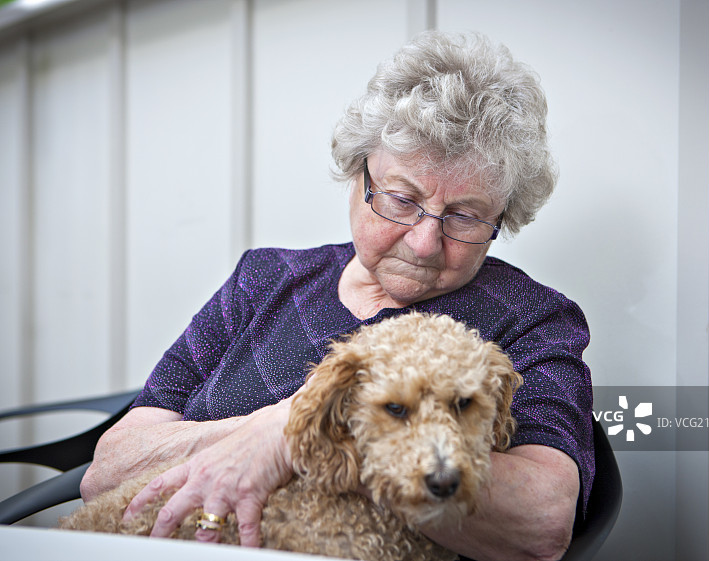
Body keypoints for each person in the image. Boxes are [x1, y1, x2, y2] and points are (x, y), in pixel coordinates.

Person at [81, 31, 594, 561]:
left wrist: (300, 437)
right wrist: (259, 431)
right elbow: (108, 470)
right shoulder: (265, 278)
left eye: (465, 216)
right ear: (356, 174)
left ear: (502, 218)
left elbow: (542, 522)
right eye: (402, 199)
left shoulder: (532, 320)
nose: (424, 242)